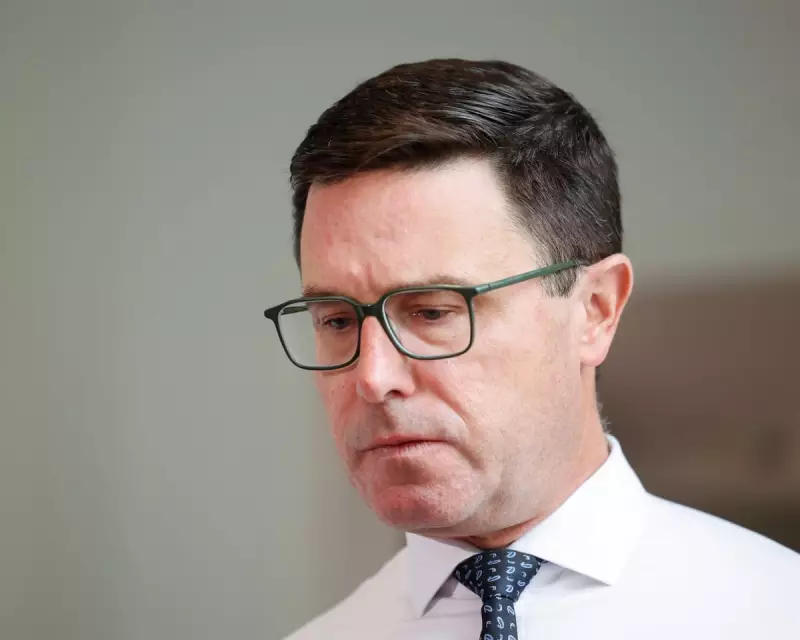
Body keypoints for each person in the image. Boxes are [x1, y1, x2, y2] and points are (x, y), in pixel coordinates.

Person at [264, 58, 800, 639]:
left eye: (433, 312)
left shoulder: (775, 612)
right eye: (338, 320)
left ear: (595, 309)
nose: (373, 377)